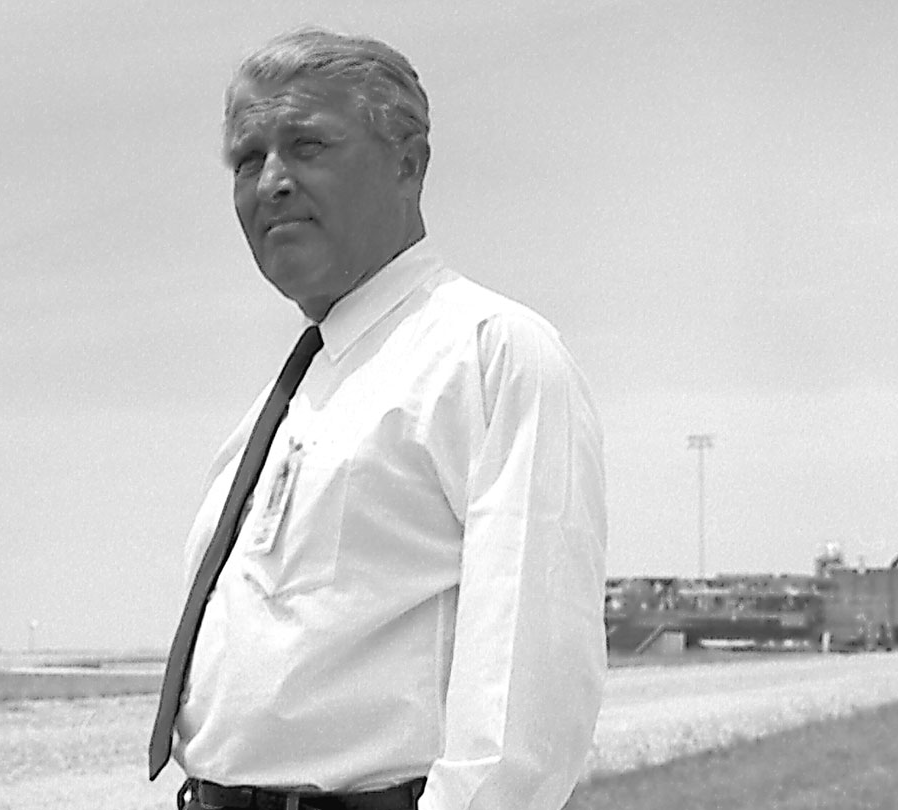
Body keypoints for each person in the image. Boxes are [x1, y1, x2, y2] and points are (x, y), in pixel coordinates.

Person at [152, 27, 608, 810]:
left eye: (308, 145)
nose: (272, 182)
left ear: (408, 163)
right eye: (246, 159)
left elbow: (523, 703)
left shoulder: (488, 353)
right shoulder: (291, 394)